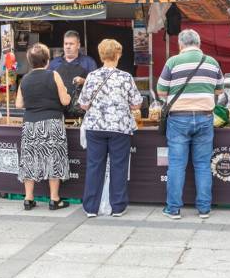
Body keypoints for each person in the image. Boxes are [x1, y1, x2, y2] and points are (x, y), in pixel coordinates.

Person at [157, 29, 224, 220]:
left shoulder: (172, 62)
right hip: (205, 117)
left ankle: (173, 209)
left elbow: (161, 92)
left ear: (180, 44)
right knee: (203, 164)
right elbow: (219, 90)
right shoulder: (211, 62)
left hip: (178, 118)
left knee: (177, 165)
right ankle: (204, 209)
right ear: (199, 43)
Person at [78, 39, 143, 218]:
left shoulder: (91, 76)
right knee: (119, 166)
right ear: (118, 55)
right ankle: (118, 206)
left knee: (94, 166)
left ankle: (91, 207)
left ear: (100, 55)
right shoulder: (125, 77)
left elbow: (83, 104)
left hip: (95, 127)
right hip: (119, 128)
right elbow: (137, 104)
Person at [15, 43, 72, 210]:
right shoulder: (53, 75)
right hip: (52, 122)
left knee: (29, 159)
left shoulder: (24, 79)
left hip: (30, 123)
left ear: (30, 62)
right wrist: (67, 93)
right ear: (47, 60)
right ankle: (54, 199)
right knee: (53, 159)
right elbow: (65, 101)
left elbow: (19, 104)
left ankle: (28, 198)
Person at [48, 30, 98, 95]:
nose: (68, 47)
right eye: (66, 44)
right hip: (58, 103)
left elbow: (96, 84)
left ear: (78, 45)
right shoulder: (54, 63)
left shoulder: (88, 62)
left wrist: (84, 81)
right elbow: (47, 85)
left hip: (80, 103)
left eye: (71, 44)